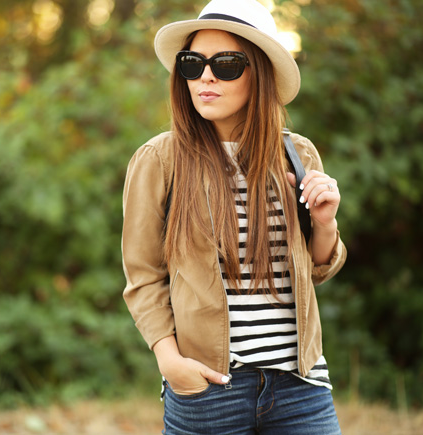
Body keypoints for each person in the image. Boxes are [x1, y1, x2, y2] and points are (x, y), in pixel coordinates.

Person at [121, 0, 347, 433]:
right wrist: (170, 362)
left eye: (226, 64)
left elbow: (317, 269)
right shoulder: (160, 160)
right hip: (209, 389)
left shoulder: (297, 154)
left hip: (302, 387)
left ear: (259, 73)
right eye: (193, 63)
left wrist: (325, 222)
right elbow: (143, 276)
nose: (206, 76)